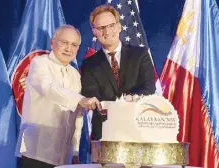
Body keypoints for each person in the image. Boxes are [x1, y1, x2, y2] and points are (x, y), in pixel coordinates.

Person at [15, 25, 102, 168]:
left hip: (63, 155)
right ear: (52, 42)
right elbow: (49, 88)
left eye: (74, 45)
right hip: (36, 151)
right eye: (64, 42)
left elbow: (77, 115)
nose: (69, 48)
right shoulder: (40, 63)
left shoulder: (75, 74)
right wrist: (81, 99)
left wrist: (74, 150)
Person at [80, 5, 156, 141]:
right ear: (94, 32)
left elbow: (149, 87)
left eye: (111, 25)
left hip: (139, 129)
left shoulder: (140, 54)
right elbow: (92, 95)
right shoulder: (88, 64)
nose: (107, 31)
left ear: (119, 27)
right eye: (101, 28)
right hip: (105, 133)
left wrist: (129, 99)